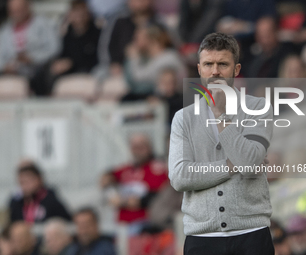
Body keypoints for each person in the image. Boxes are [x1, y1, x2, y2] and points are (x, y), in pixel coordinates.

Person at [169, 32, 274, 254]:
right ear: (199, 69)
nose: (215, 71)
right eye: (208, 64)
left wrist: (219, 114)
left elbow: (250, 162)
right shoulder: (183, 118)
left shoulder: (258, 108)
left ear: (236, 70)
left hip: (251, 233)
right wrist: (230, 166)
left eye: (222, 64)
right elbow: (179, 176)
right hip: (202, 238)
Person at [100, 133, 168, 235]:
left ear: (149, 147)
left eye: (142, 145)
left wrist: (123, 201)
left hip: (145, 225)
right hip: (122, 225)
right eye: (135, 146)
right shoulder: (127, 169)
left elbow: (155, 197)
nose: (138, 150)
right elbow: (106, 177)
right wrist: (110, 191)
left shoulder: (157, 169)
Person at [34, 0, 102, 95]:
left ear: (87, 13)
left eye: (81, 12)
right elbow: (63, 54)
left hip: (88, 70)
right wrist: (59, 63)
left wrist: (71, 63)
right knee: (45, 72)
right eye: (75, 12)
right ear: (70, 15)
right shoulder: (68, 35)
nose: (79, 16)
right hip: (69, 71)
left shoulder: (97, 33)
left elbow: (96, 58)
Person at [0, 0, 59, 92]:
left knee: (41, 75)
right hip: (11, 71)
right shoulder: (3, 31)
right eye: (12, 11)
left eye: (18, 10)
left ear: (27, 8)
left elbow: (54, 49)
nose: (15, 14)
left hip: (36, 70)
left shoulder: (44, 24)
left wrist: (32, 59)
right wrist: (5, 67)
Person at [123, 24, 185, 100]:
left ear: (150, 40)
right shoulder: (152, 59)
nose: (133, 43)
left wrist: (133, 58)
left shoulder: (168, 58)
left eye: (137, 39)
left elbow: (138, 79)